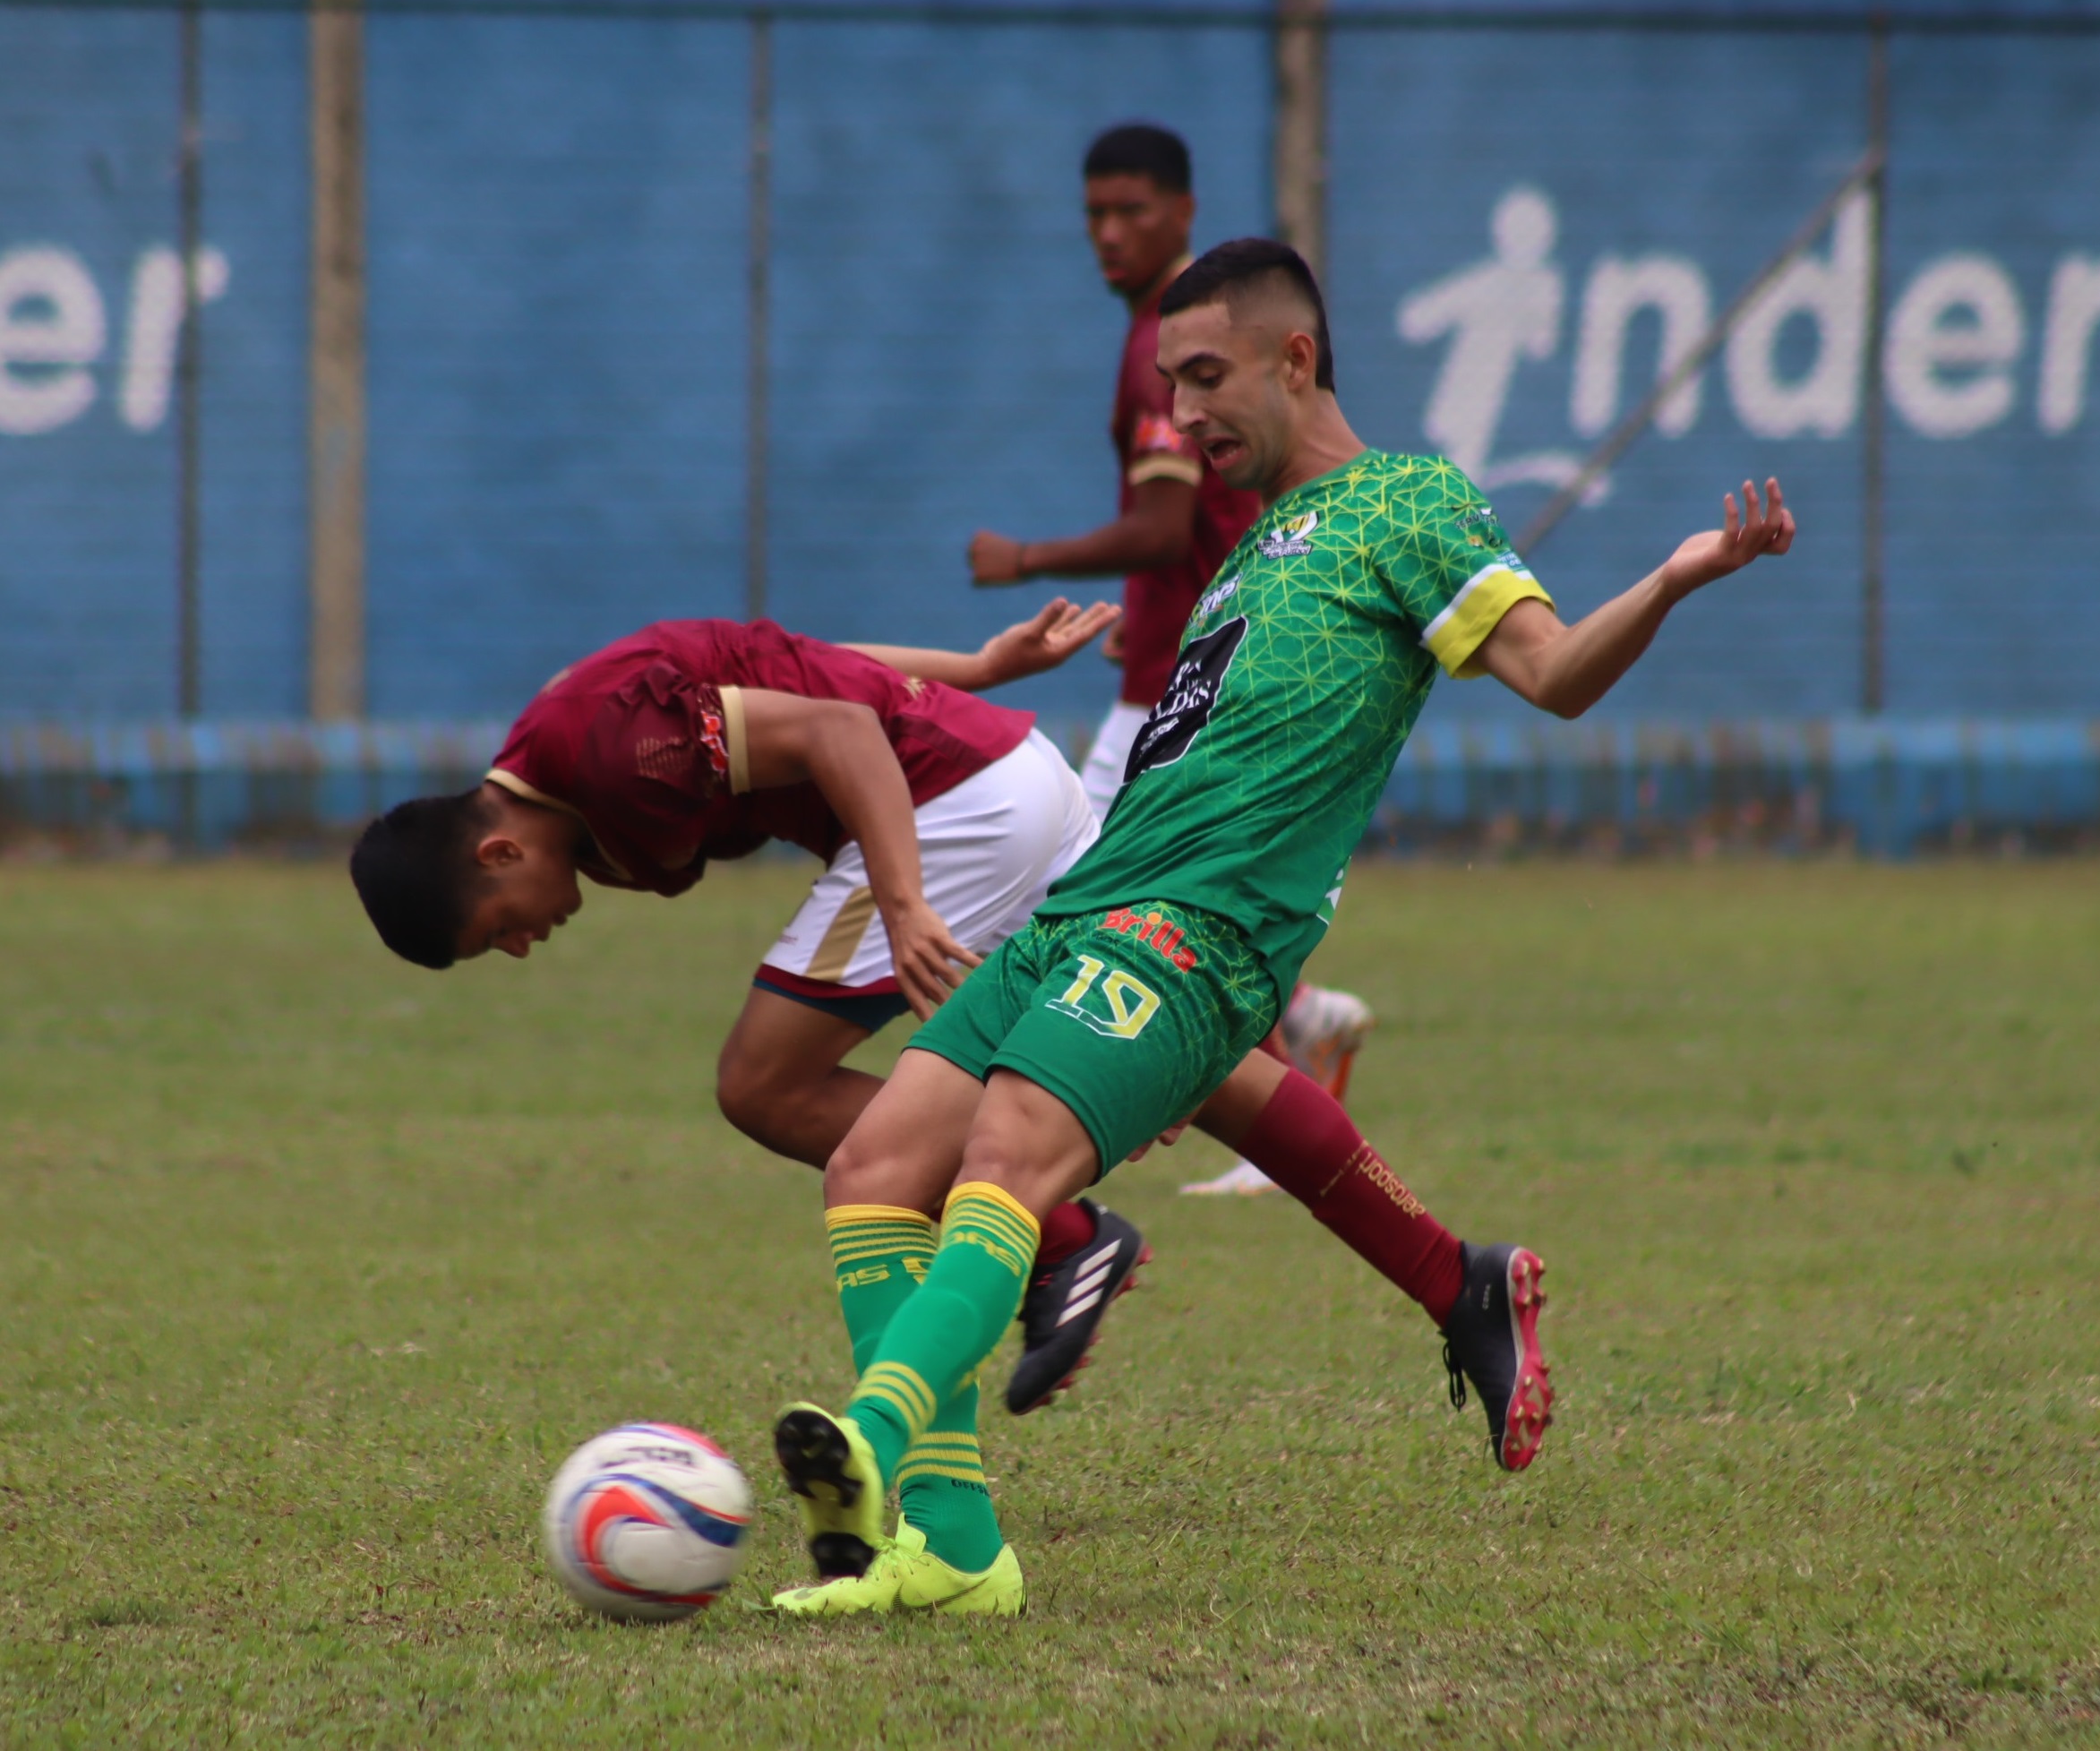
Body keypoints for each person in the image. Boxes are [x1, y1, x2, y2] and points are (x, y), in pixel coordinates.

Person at [767, 238, 1796, 1618]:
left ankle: (875, 1443)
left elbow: (1550, 674)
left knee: (1007, 1153)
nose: (1180, 417)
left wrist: (1671, 579)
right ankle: (954, 1551)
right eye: (1167, 385)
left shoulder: (1412, 501)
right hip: (1080, 912)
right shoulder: (1252, 545)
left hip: (1197, 936)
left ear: (1293, 359)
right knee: (869, 1161)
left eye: (1202, 379)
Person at [347, 597, 1534, 1594]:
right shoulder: (564, 754)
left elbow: (836, 730)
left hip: (950, 809)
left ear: (495, 854)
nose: (521, 945)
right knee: (1202, 1063)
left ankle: (1065, 1240)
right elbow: (782, 659)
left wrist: (907, 901)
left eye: (496, 933)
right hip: (995, 776)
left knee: (764, 1081)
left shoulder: (610, 755)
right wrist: (970, 670)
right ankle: (1453, 1274)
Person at [967, 122, 1376, 1196]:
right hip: (1166, 669)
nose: (1109, 233)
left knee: (1077, 900)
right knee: (1124, 902)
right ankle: (1296, 1031)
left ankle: (1233, 1104)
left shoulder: (1178, 353)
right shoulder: (1158, 348)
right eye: (1094, 213)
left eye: (1132, 211)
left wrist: (1025, 559)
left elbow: (1160, 528)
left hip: (1178, 680)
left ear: (1184, 215)